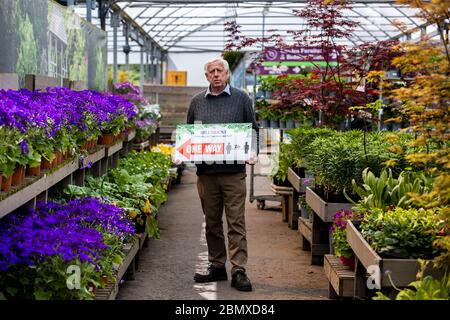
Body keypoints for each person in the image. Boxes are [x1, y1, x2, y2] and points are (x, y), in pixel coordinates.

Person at [187, 57, 259, 292]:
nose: (216, 74)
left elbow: (253, 130)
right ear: (206, 76)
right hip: (206, 174)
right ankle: (217, 266)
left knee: (236, 222)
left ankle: (239, 270)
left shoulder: (241, 99)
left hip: (233, 173)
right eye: (212, 71)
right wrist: (184, 152)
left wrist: (253, 152)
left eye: (220, 71)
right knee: (212, 222)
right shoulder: (197, 101)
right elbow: (189, 134)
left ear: (227, 75)